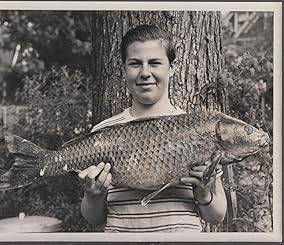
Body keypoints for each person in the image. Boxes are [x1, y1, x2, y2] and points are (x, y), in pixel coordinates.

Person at [78, 24, 227, 232]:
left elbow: (217, 216)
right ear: (124, 69)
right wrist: (93, 195)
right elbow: (94, 218)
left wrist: (203, 194)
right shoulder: (103, 133)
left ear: (172, 68)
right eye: (135, 64)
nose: (145, 72)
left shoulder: (199, 130)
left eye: (155, 63)